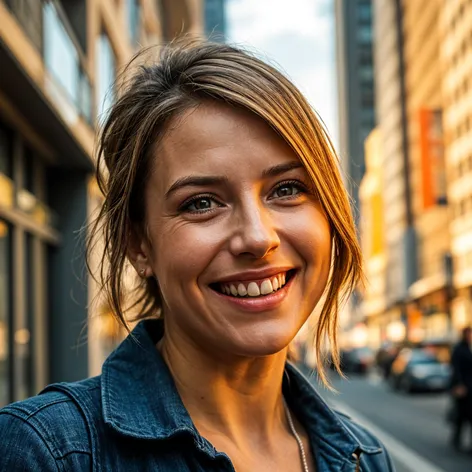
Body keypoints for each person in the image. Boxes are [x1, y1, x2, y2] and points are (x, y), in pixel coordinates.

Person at [0, 40, 394, 471]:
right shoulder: (46, 452)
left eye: (287, 189)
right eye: (201, 202)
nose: (258, 237)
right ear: (138, 245)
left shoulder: (366, 457)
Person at [450, 326, 472, 452]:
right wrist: (458, 385)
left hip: (470, 388)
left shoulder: (469, 348)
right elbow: (455, 368)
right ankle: (456, 441)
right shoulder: (459, 349)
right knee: (460, 416)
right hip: (463, 388)